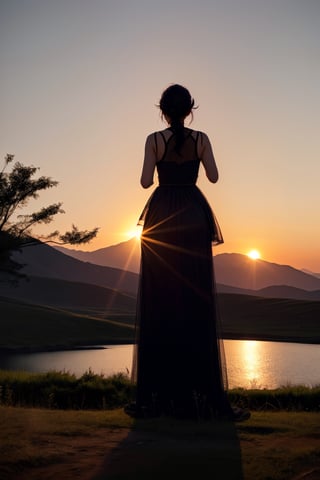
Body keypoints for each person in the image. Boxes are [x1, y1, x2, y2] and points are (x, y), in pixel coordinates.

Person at [129, 84, 248, 420]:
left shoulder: (153, 139)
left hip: (162, 213)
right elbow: (213, 176)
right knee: (196, 298)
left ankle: (158, 396)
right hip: (194, 214)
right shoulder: (201, 139)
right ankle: (202, 394)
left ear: (163, 111)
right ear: (190, 110)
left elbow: (143, 182)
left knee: (160, 298)